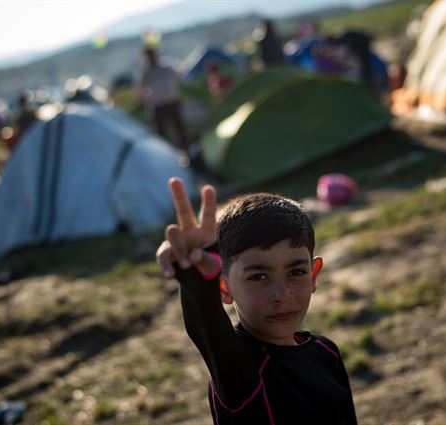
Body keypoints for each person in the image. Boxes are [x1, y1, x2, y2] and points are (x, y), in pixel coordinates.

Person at [156, 177, 357, 424]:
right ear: (224, 286)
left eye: (296, 272)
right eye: (259, 277)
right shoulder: (240, 369)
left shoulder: (327, 353)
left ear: (313, 274)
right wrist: (194, 277)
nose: (282, 295)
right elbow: (206, 327)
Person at [137, 47, 190, 150]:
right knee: (161, 133)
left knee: (180, 129)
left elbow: (179, 78)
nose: (152, 57)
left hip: (172, 102)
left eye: (153, 55)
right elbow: (140, 91)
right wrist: (149, 101)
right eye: (149, 56)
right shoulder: (146, 73)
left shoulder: (166, 68)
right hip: (158, 106)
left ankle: (187, 148)